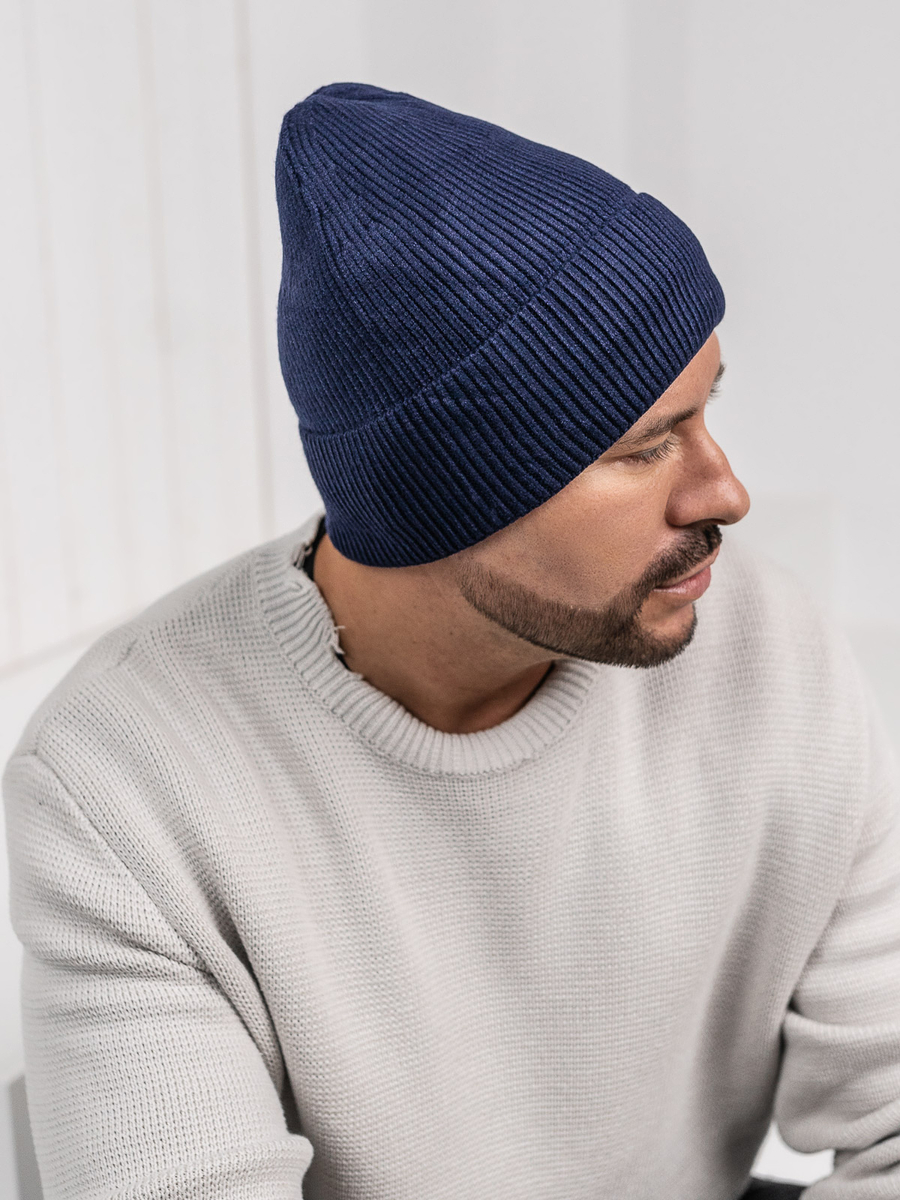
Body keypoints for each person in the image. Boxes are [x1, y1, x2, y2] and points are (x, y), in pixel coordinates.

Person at [3, 82, 899, 1200]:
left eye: (708, 409)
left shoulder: (768, 652)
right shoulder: (121, 786)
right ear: (440, 500)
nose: (726, 492)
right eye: (644, 447)